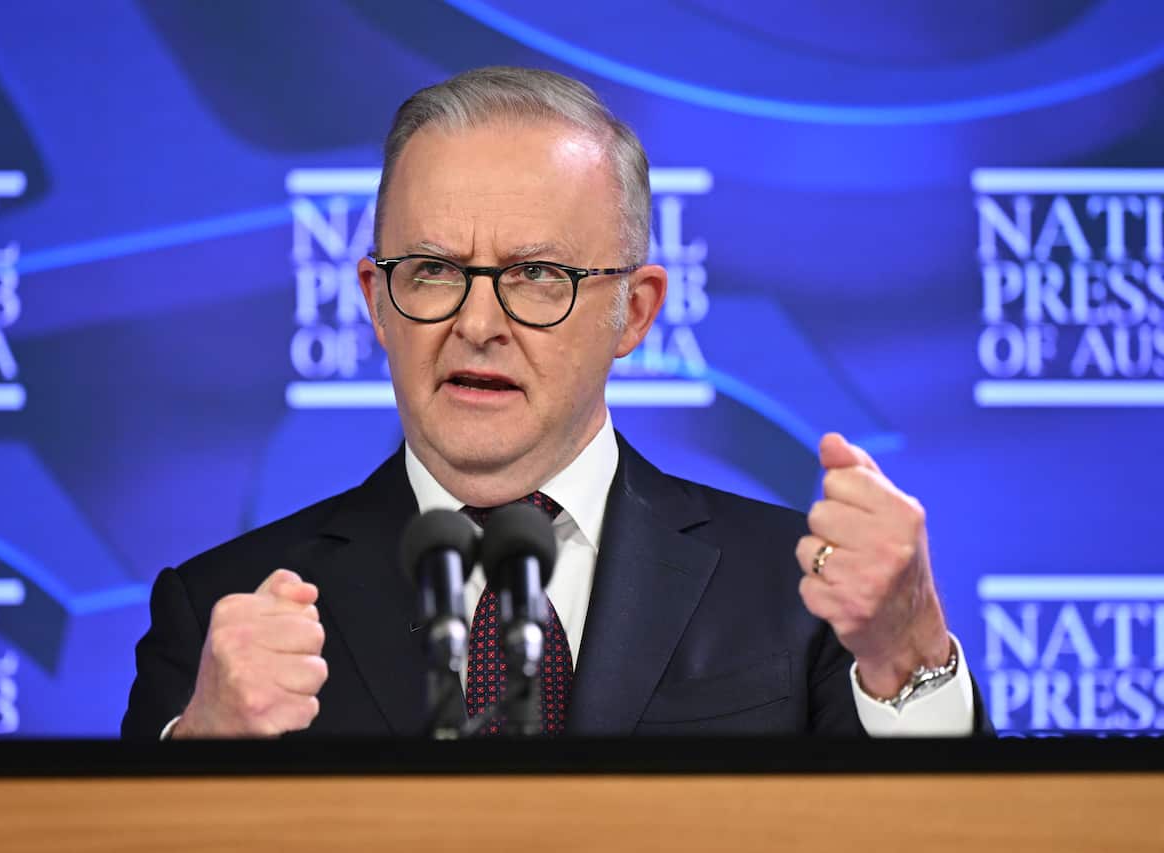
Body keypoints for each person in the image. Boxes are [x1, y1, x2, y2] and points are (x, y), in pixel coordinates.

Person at [122, 66, 989, 739]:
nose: (477, 323)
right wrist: (204, 748)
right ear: (377, 302)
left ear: (635, 311)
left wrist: (909, 658)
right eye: (433, 271)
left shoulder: (798, 596)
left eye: (538, 275)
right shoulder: (218, 617)